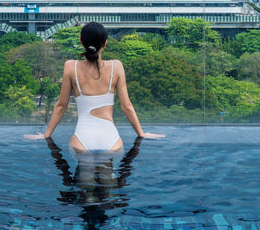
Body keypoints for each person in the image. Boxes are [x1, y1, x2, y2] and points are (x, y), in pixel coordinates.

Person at [25, 21, 164, 151]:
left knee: (83, 175)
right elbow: (126, 106)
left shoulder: (70, 66)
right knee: (110, 175)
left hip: (81, 140)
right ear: (105, 43)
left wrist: (46, 135)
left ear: (81, 41)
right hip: (111, 140)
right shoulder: (116, 66)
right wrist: (141, 134)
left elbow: (61, 106)